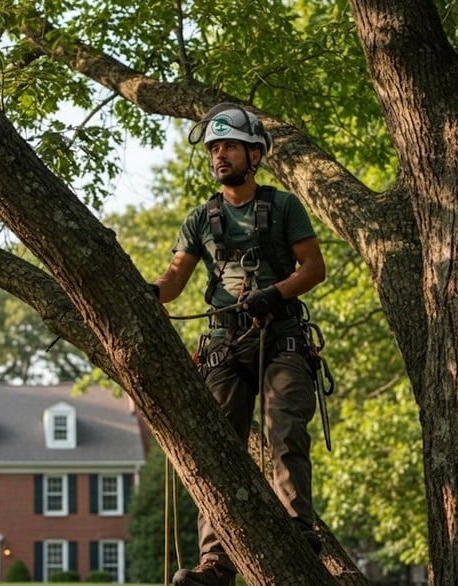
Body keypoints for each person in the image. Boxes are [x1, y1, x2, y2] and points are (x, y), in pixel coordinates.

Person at [151, 103, 327, 586]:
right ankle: (216, 563)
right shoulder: (200, 219)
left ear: (255, 154)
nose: (218, 155)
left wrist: (274, 292)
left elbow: (314, 268)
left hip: (281, 334)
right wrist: (146, 292)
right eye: (213, 148)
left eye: (228, 146)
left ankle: (296, 526)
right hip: (225, 342)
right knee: (216, 448)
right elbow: (174, 280)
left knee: (284, 423)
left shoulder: (284, 206)